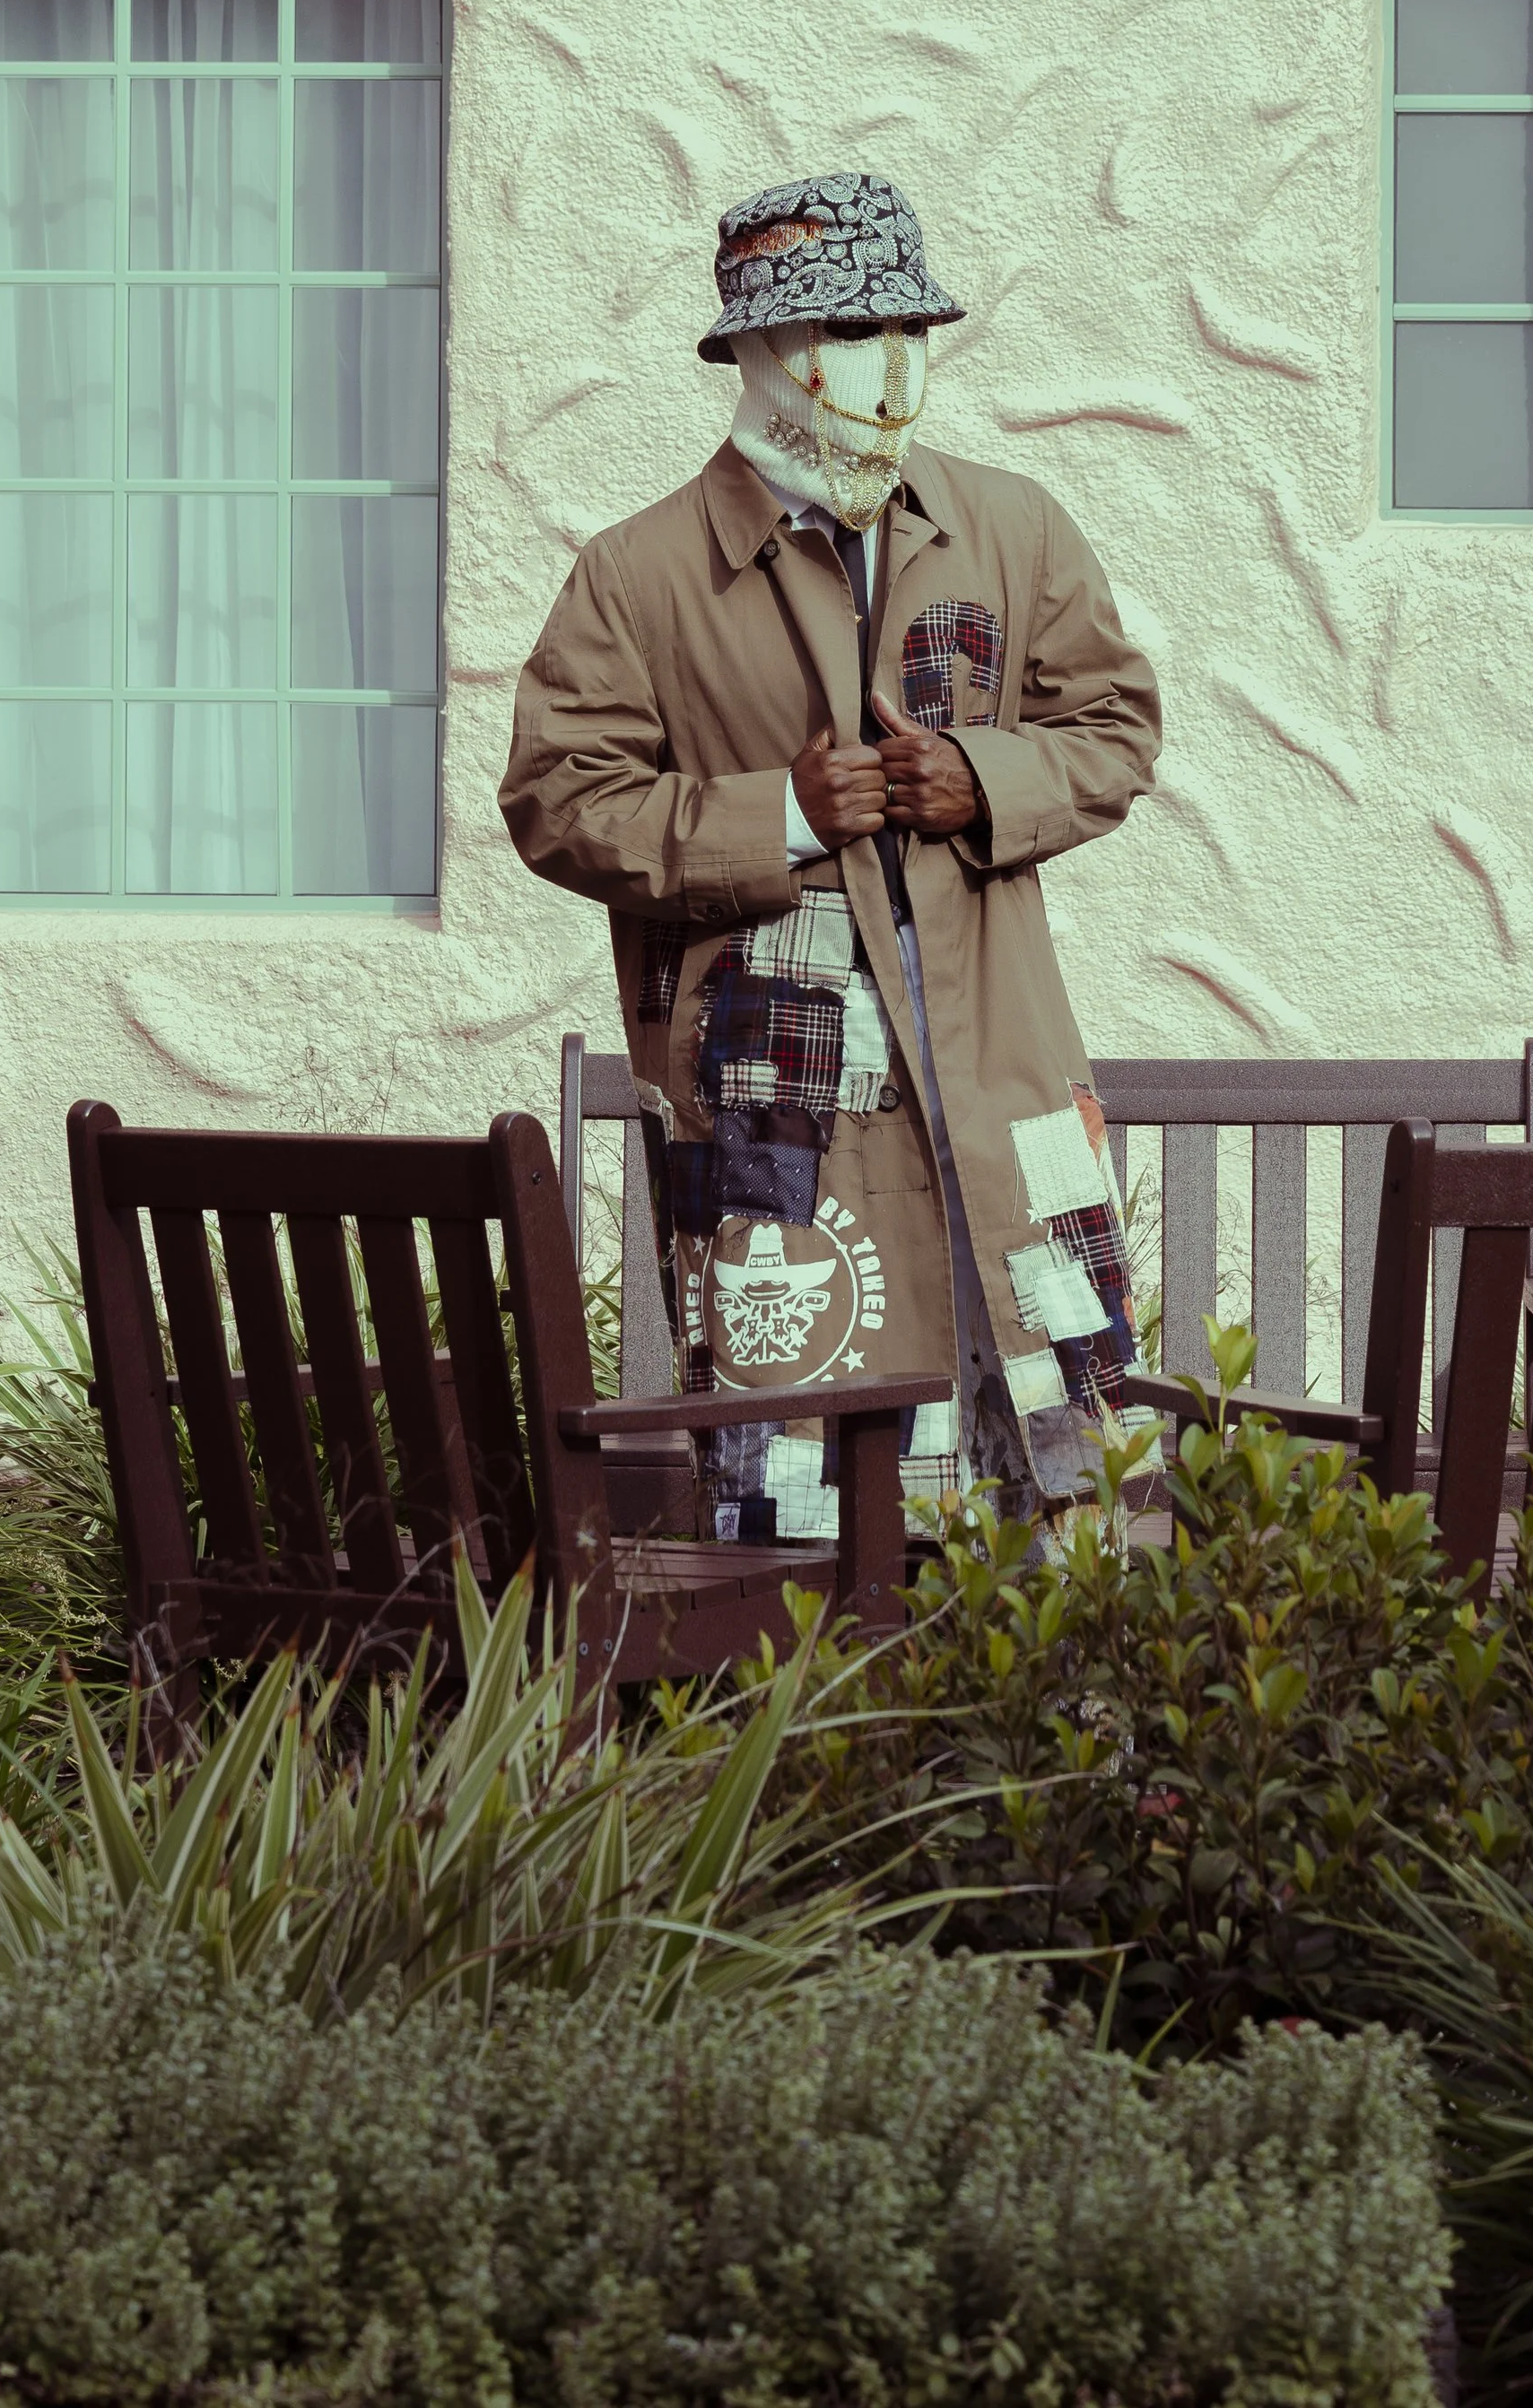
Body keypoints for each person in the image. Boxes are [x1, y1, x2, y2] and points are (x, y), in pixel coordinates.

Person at [498, 171, 1163, 1532]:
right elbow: (558, 798)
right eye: (852, 329)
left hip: (1002, 1074)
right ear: (762, 349)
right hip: (777, 1104)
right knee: (800, 1501)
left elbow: (1115, 727)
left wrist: (980, 776)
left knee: (1064, 1476)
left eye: (910, 325)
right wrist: (785, 816)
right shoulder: (638, 574)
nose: (890, 358)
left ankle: (1058, 1672)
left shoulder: (1015, 528)